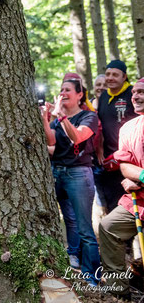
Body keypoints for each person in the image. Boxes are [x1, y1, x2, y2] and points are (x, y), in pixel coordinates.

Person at [41, 73, 100, 286]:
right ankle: (72, 258)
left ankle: (92, 276)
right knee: (69, 221)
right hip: (58, 172)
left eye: (68, 90)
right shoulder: (59, 120)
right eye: (61, 90)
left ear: (79, 95)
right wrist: (46, 119)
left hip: (79, 174)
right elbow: (51, 141)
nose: (62, 93)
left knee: (85, 227)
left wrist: (62, 117)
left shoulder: (88, 117)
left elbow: (78, 137)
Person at [99, 78, 144, 298]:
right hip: (139, 199)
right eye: (134, 92)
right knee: (108, 226)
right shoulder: (127, 128)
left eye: (142, 92)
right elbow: (125, 165)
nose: (135, 96)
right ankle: (119, 291)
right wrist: (137, 178)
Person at [98, 60, 138, 212]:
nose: (110, 78)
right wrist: (100, 149)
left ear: (124, 77)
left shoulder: (133, 94)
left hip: (132, 160)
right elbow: (99, 125)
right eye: (108, 74)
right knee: (113, 203)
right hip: (110, 161)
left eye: (115, 75)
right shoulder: (103, 97)